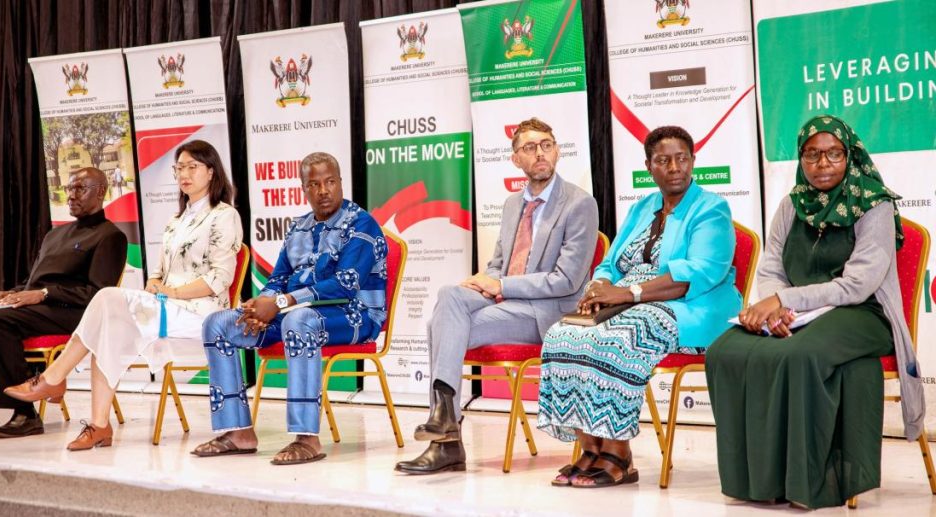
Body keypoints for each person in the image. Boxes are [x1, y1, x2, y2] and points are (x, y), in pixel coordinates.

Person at [705, 115, 924, 509]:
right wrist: (775, 306)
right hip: (798, 311)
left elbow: (858, 285)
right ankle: (757, 480)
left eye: (833, 154)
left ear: (850, 154)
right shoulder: (791, 204)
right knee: (726, 350)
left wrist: (786, 302)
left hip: (863, 314)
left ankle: (809, 482)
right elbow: (771, 268)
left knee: (799, 354)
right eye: (812, 155)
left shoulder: (874, 204)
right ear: (801, 158)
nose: (823, 164)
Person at [4, 140, 242, 451]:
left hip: (204, 315)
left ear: (211, 172)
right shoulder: (175, 221)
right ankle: (99, 426)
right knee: (108, 327)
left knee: (106, 298)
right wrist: (156, 285)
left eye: (192, 167)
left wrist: (170, 292)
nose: (184, 174)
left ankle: (54, 377)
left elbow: (218, 280)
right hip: (168, 308)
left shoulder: (224, 216)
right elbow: (157, 273)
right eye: (179, 167)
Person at [538, 126, 741, 488]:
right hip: (627, 299)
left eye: (682, 158)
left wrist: (627, 293)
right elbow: (609, 263)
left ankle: (618, 453)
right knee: (563, 333)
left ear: (693, 162)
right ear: (649, 166)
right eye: (663, 160)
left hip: (690, 305)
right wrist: (599, 287)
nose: (674, 167)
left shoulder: (712, 208)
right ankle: (590, 446)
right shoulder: (642, 208)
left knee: (620, 337)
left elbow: (696, 274)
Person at [395, 117, 599, 475]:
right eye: (530, 147)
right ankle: (444, 424)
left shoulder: (579, 204)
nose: (540, 153)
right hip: (508, 302)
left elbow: (566, 280)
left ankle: (446, 438)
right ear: (515, 159)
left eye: (547, 145)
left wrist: (500, 286)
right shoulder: (510, 205)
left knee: (438, 327)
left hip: (546, 314)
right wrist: (483, 281)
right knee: (450, 297)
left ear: (558, 151)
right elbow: (499, 265)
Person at [191, 151, 387, 465]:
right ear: (304, 189)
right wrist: (261, 304)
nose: (323, 190)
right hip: (297, 312)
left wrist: (282, 303)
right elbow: (279, 277)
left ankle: (307, 438)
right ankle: (238, 432)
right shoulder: (299, 228)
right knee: (219, 324)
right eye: (314, 184)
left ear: (340, 183)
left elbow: (346, 283)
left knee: (299, 321)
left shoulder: (362, 223)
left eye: (330, 182)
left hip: (356, 315)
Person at [0, 167, 127, 438]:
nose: (71, 195)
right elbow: (34, 282)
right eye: (69, 189)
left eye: (80, 189)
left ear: (101, 191)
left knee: (0, 321)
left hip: (77, 313)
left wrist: (44, 294)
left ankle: (24, 414)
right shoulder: (54, 235)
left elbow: (97, 293)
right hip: (43, 307)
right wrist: (9, 293)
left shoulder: (110, 236)